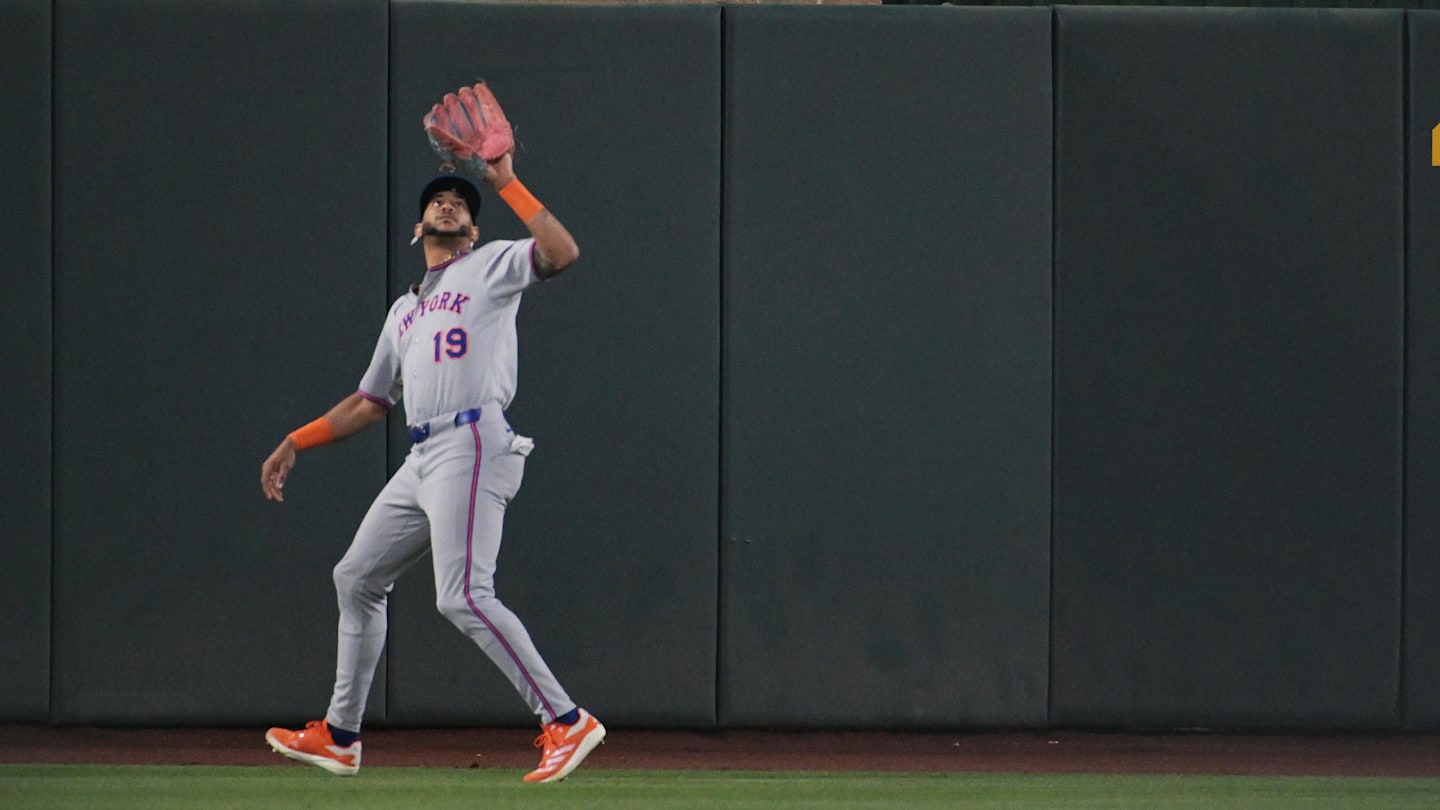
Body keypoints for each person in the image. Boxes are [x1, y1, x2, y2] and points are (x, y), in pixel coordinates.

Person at [258, 152, 604, 783]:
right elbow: (370, 403)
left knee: (464, 594)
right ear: (418, 227)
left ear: (471, 228)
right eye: (437, 199)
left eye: (461, 202)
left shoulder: (490, 263)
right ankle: (339, 737)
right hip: (423, 456)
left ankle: (565, 719)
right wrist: (296, 440)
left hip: (473, 440)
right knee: (356, 577)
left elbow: (562, 253)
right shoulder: (403, 310)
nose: (448, 203)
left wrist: (506, 183)